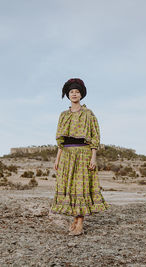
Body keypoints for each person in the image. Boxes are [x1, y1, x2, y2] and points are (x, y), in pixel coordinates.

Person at [50, 78, 110, 236]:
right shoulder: (63, 115)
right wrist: (57, 159)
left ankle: (80, 223)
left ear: (81, 94)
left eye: (77, 92)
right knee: (69, 187)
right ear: (68, 95)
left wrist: (93, 157)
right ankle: (75, 219)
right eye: (71, 92)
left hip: (83, 154)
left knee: (80, 187)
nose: (74, 94)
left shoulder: (88, 114)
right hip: (67, 155)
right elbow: (61, 141)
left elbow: (95, 137)